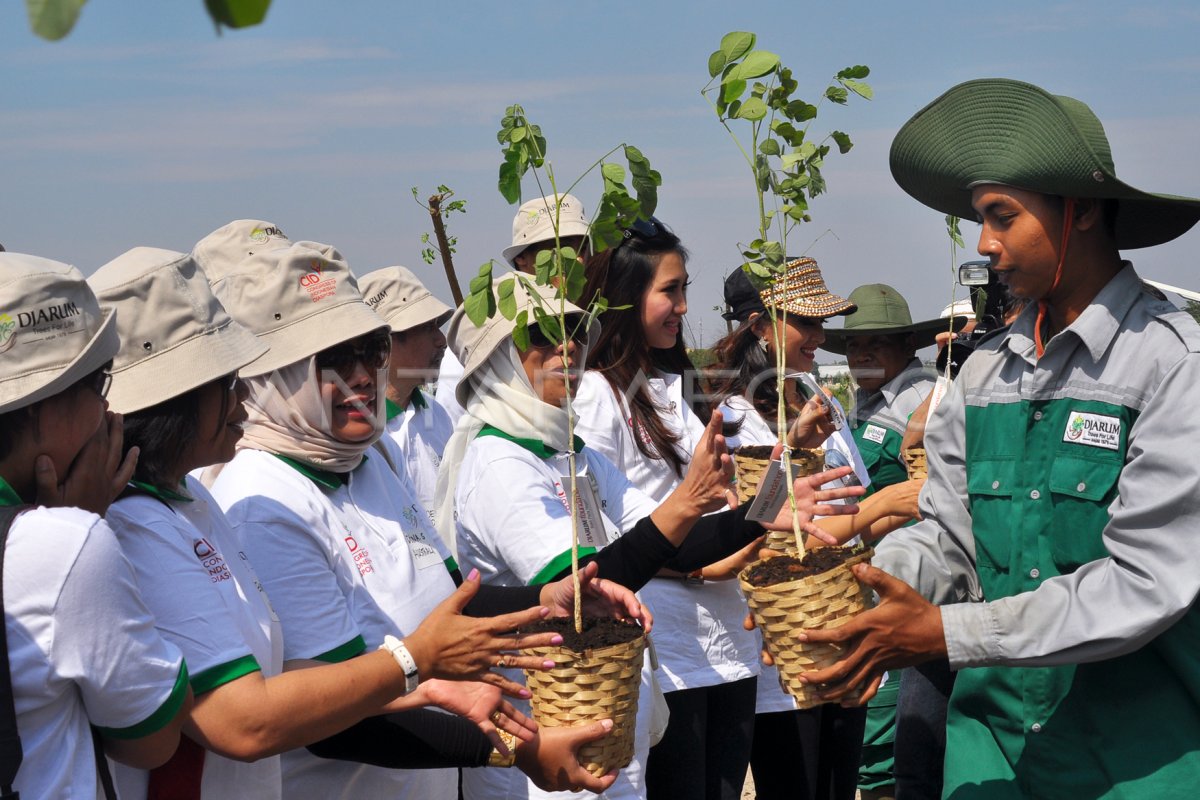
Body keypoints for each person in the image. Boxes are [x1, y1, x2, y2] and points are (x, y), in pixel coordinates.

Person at [90, 246, 623, 798]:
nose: (364, 376)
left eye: (373, 350)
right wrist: (498, 739)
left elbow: (432, 613)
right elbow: (278, 717)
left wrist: (542, 602)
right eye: (337, 358)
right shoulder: (247, 505)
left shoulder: (349, 465)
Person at [800, 78, 1200, 800]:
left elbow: (1145, 583)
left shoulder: (1172, 365)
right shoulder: (983, 374)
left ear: (1078, 212)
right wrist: (876, 584)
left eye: (1002, 216)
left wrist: (948, 635)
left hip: (1138, 767)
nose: (985, 243)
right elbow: (950, 534)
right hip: (992, 765)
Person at [441, 276, 864, 800]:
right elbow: (584, 592)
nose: (569, 347)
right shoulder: (502, 462)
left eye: (575, 331)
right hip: (544, 743)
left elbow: (673, 542)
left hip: (607, 726)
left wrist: (758, 513)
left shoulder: (571, 453)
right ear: (502, 360)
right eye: (546, 336)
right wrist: (687, 500)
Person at [710, 259, 923, 800]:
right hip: (787, 639)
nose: (821, 338)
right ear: (761, 327)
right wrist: (869, 506)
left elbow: (849, 496)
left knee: (839, 781)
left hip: (842, 621)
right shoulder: (732, 419)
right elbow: (754, 529)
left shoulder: (814, 396)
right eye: (806, 323)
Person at [573, 218, 757, 800]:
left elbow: (706, 504)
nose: (682, 306)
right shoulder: (599, 396)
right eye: (668, 291)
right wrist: (701, 563)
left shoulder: (676, 385)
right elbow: (600, 540)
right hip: (668, 648)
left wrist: (764, 504)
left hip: (725, 641)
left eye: (684, 289)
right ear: (628, 302)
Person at [0, 252, 192, 797]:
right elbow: (152, 738)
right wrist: (78, 522)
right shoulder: (60, 541)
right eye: (99, 381)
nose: (112, 414)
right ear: (43, 405)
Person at [435, 193, 591, 424]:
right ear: (522, 258)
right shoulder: (484, 336)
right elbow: (452, 426)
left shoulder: (587, 329)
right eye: (560, 248)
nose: (575, 261)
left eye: (581, 249)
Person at [822, 284, 966, 495]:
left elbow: (936, 493)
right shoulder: (866, 398)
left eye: (877, 343)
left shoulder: (926, 403)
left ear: (908, 345)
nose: (862, 355)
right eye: (853, 346)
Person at [358, 265, 454, 526]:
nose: (441, 340)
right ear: (385, 342)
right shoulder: (360, 433)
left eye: (438, 326)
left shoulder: (437, 416)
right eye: (427, 327)